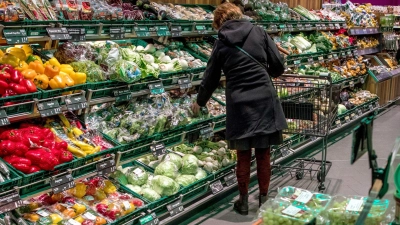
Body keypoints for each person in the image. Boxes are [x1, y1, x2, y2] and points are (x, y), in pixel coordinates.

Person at [191, 3, 287, 215]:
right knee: (263, 153)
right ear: (238, 14)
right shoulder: (259, 32)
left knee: (243, 155)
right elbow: (278, 67)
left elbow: (211, 77)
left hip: (239, 103)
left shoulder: (221, 42)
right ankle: (263, 200)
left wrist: (200, 102)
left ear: (219, 23)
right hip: (264, 99)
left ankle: (243, 201)